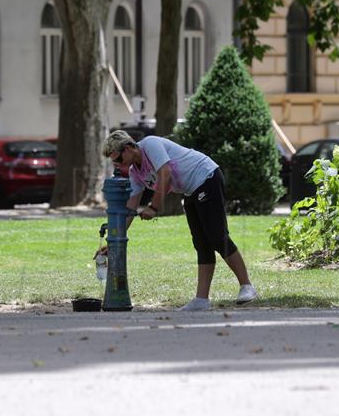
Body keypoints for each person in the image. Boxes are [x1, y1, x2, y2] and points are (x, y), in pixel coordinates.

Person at [100, 130, 257, 311]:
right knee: (201, 242)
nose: (118, 165)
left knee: (216, 235)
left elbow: (165, 173)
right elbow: (130, 209)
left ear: (128, 148)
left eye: (119, 159)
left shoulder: (150, 144)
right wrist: (113, 241)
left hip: (207, 176)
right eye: (114, 162)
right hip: (191, 189)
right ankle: (201, 300)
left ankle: (247, 286)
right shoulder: (136, 172)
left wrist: (154, 207)